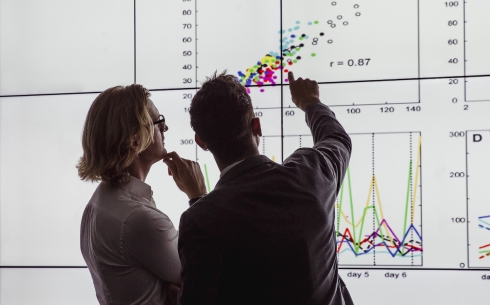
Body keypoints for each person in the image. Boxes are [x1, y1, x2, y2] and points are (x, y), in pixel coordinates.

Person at [163, 71, 354, 304]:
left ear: (201, 142)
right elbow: (337, 139)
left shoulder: (200, 219)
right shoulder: (312, 173)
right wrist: (310, 102)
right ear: (257, 126)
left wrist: (199, 200)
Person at [77, 84, 206, 305]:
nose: (165, 128)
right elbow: (207, 277)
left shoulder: (97, 204)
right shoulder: (138, 219)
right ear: (135, 140)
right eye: (158, 122)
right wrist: (199, 197)